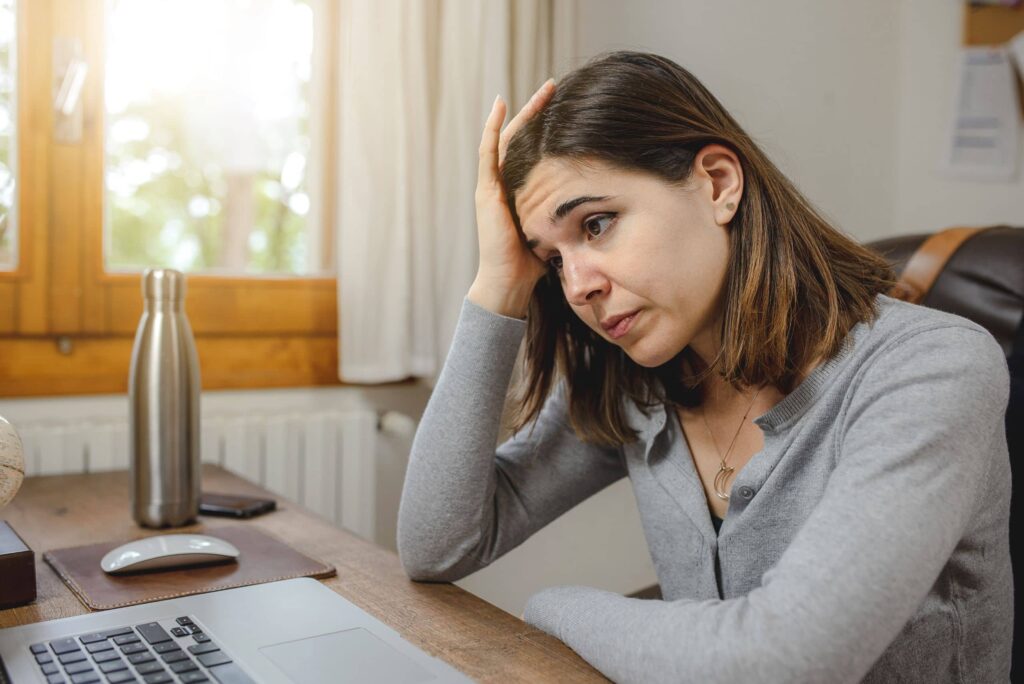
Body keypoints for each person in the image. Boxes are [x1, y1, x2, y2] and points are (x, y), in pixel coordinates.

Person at [396, 51, 1012, 683]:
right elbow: (437, 543)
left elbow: (779, 663)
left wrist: (551, 607)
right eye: (552, 260)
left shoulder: (932, 369)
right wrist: (498, 282)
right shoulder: (639, 388)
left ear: (718, 184)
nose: (576, 286)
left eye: (598, 224)